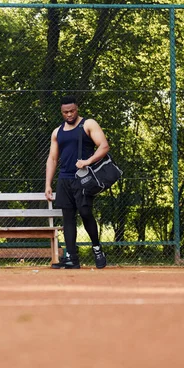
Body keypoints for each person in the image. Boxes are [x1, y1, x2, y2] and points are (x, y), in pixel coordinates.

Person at [45, 95, 109, 269]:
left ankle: (97, 248)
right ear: (61, 112)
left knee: (85, 212)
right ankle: (72, 258)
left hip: (84, 177)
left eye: (72, 110)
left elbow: (103, 146)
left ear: (77, 108)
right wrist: (48, 184)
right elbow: (52, 158)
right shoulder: (57, 132)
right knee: (68, 218)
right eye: (65, 112)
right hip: (65, 179)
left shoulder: (88, 124)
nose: (69, 114)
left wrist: (88, 161)